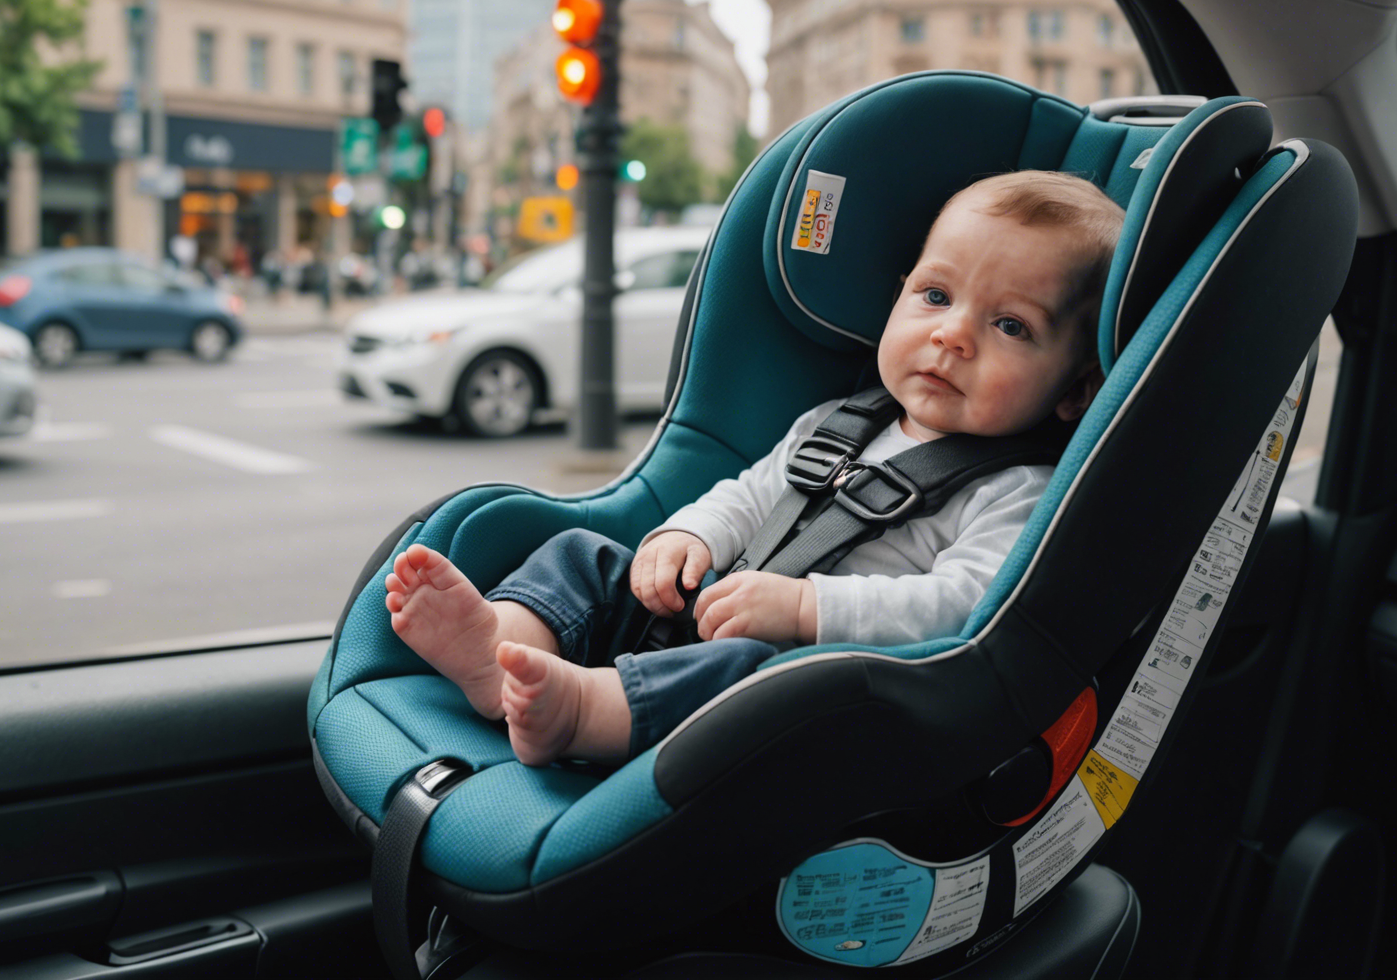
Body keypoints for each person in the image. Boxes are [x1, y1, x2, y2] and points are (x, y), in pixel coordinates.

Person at [385, 171, 1123, 767]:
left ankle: (583, 711)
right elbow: (750, 495)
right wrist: (691, 538)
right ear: (897, 295)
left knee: (749, 673)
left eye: (1011, 326)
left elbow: (959, 609)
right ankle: (499, 646)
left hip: (805, 678)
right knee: (586, 557)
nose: (952, 335)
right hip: (717, 605)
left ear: (1074, 390)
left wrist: (806, 613)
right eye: (935, 296)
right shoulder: (836, 425)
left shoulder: (1015, 492)